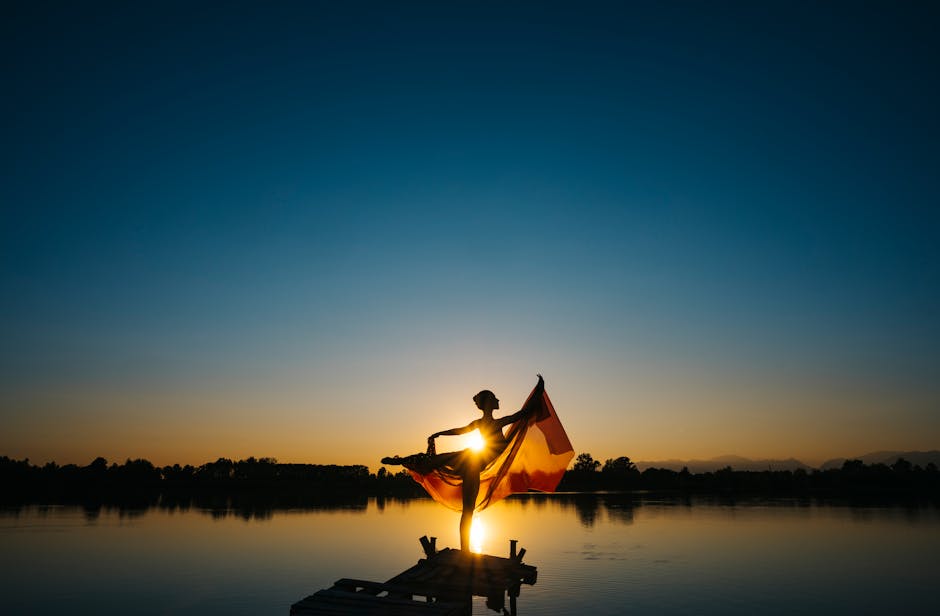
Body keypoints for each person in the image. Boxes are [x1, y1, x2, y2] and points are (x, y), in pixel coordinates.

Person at [425, 375, 544, 551]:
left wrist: (538, 392)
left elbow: (522, 414)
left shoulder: (485, 423)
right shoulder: (494, 423)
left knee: (468, 510)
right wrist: (539, 392)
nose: (498, 400)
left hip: (474, 464)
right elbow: (521, 414)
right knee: (467, 508)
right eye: (495, 398)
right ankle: (465, 550)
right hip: (473, 464)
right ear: (489, 403)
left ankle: (465, 549)